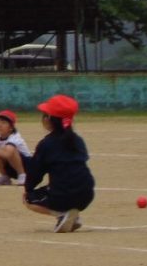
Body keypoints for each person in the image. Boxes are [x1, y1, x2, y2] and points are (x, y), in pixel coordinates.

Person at [24, 95, 95, 233]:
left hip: (63, 195)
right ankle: (73, 216)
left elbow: (35, 173)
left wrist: (28, 189)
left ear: (49, 120)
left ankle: (62, 215)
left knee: (28, 199)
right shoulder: (78, 140)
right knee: (66, 182)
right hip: (87, 194)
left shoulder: (46, 144)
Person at [0, 110, 30, 186]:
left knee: (11, 150)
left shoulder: (15, 137)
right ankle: (5, 177)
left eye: (3, 123)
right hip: (12, 168)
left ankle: (22, 175)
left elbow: (8, 154)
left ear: (11, 128)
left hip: (28, 168)